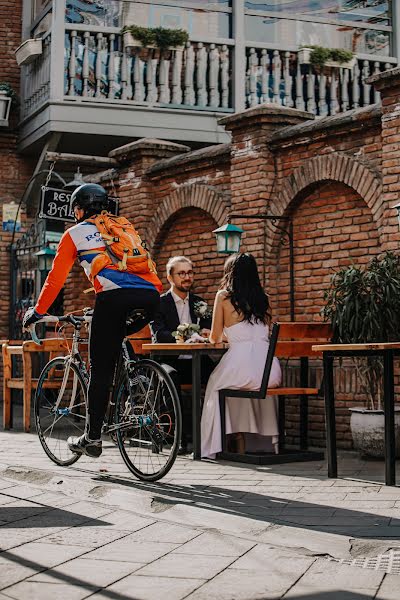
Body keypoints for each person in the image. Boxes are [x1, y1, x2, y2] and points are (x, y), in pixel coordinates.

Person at [23, 183, 162, 458]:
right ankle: (134, 382)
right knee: (116, 338)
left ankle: (93, 438)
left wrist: (38, 311)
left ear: (79, 209)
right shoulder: (123, 225)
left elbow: (56, 279)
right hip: (151, 297)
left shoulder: (74, 233)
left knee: (99, 369)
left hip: (114, 299)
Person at [201, 253, 282, 460]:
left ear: (231, 274)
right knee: (242, 386)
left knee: (214, 385)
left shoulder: (223, 296)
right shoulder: (264, 299)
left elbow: (214, 338)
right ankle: (257, 443)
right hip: (269, 372)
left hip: (241, 366)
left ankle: (214, 445)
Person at [152, 256, 213, 453]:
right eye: (182, 273)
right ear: (170, 278)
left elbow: (209, 327)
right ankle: (179, 438)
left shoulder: (199, 303)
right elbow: (159, 333)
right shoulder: (160, 303)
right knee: (171, 377)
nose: (187, 277)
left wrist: (205, 333)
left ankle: (215, 437)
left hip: (196, 360)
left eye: (190, 272)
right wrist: (180, 336)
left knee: (220, 374)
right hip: (169, 361)